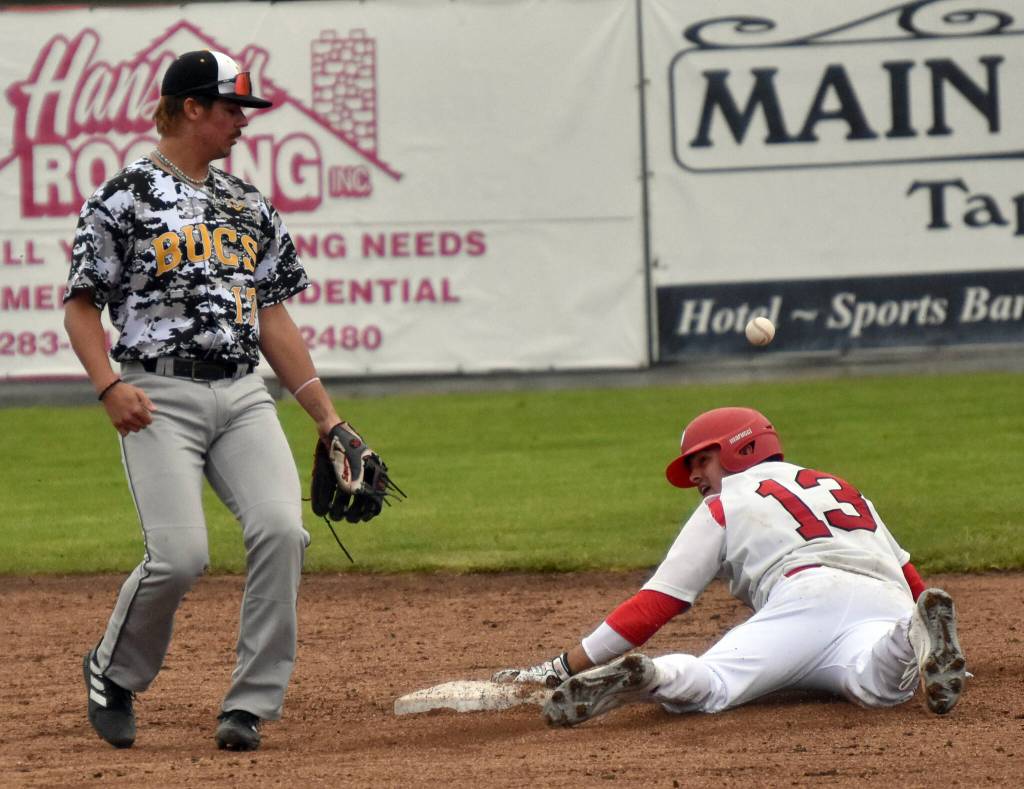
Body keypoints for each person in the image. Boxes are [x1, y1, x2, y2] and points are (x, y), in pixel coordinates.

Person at [65, 49, 391, 751]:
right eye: (231, 108)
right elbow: (82, 307)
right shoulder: (123, 198)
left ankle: (249, 703)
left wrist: (327, 417)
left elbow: (272, 319)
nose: (243, 122)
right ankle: (112, 671)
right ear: (191, 108)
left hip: (244, 394)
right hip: (155, 393)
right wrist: (108, 385)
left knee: (282, 532)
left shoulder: (247, 204)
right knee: (179, 557)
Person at [494, 407, 967, 726]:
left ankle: (651, 676)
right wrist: (919, 617)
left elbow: (658, 602)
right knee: (877, 686)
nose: (695, 476)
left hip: (806, 598)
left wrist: (563, 666)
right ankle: (913, 638)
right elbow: (909, 576)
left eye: (701, 460)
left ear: (739, 449)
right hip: (887, 602)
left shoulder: (728, 502)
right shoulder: (843, 488)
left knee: (715, 684)